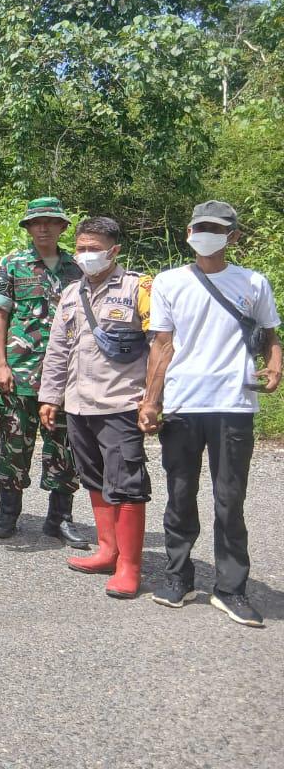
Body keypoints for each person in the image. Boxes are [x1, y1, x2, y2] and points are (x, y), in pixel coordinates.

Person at [140, 201, 281, 627]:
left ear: (232, 236)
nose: (207, 235)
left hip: (234, 403)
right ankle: (177, 577)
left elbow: (270, 334)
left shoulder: (253, 282)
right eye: (200, 227)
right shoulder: (169, 282)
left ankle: (230, 589)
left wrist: (275, 366)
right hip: (184, 404)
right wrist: (151, 401)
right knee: (180, 494)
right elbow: (161, 344)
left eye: (217, 229)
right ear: (188, 232)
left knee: (230, 499)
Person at [38, 217, 152, 598]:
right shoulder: (72, 293)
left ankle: (129, 566)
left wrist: (154, 398)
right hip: (78, 404)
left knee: (128, 485)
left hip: (121, 403)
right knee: (95, 478)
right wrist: (50, 396)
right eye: (81, 248)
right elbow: (58, 349)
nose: (86, 254)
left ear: (114, 251)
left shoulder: (138, 288)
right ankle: (107, 550)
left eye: (94, 249)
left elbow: (161, 345)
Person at [0, 197, 87, 548]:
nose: (43, 227)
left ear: (62, 227)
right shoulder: (13, 264)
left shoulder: (78, 268)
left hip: (66, 376)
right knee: (14, 444)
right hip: (19, 372)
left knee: (65, 448)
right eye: (36, 222)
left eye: (50, 221)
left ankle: (60, 518)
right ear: (28, 228)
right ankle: (8, 513)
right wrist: (0, 364)